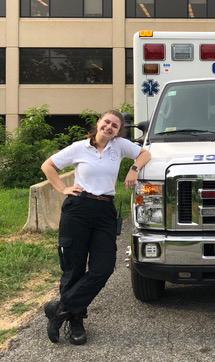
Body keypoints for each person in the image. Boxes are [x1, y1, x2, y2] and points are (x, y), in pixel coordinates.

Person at [41, 110, 151, 345]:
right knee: (74, 268)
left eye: (115, 125)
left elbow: (144, 153)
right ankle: (76, 321)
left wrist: (133, 169)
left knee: (103, 267)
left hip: (104, 212)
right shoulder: (79, 147)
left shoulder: (119, 146)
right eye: (106, 122)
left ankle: (60, 309)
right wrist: (62, 189)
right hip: (78, 209)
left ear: (118, 131)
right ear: (98, 123)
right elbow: (48, 165)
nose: (109, 127)